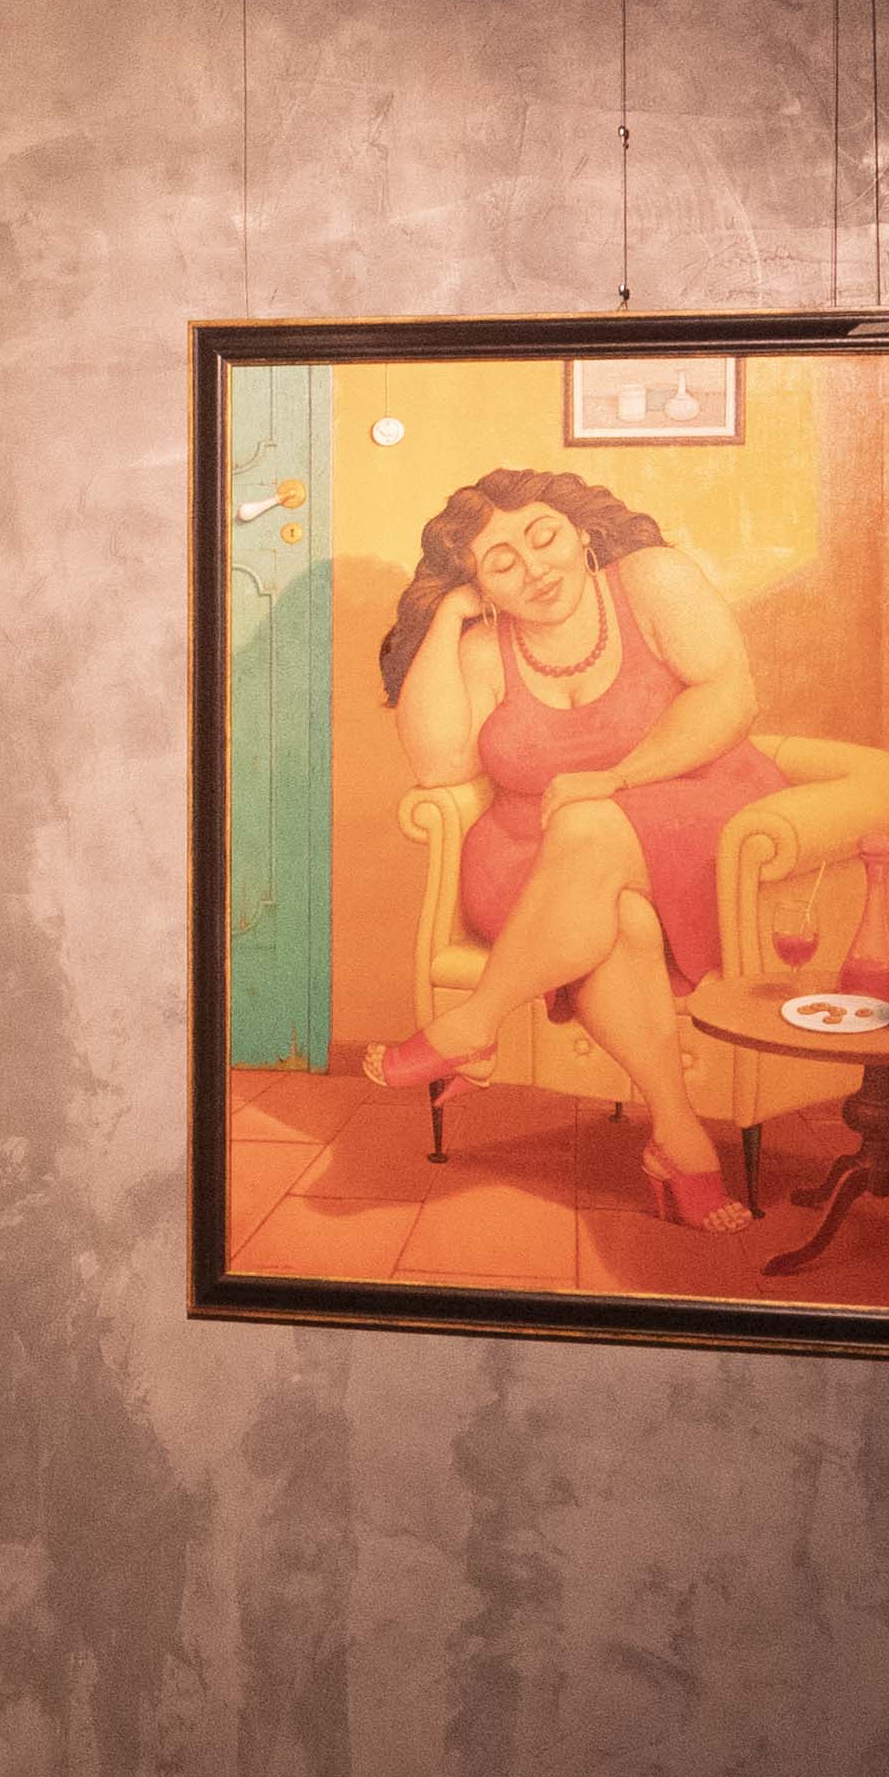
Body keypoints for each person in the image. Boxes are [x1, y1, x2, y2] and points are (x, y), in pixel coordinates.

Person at [368, 468, 782, 1234]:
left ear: (581, 530)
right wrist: (450, 615)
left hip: (692, 818)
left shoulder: (651, 581)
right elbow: (439, 765)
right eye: (501, 564)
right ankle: (679, 1137)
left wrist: (618, 778)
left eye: (544, 537)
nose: (535, 569)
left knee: (590, 827)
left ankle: (474, 1024)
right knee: (617, 916)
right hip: (533, 860)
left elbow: (730, 693)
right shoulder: (485, 645)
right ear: (482, 587)